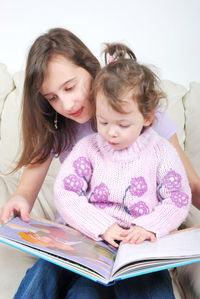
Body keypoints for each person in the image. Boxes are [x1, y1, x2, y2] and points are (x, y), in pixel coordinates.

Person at [0, 27, 198, 298]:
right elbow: (33, 190)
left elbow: (185, 185)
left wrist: (152, 226)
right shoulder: (66, 131)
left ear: (90, 68)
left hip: (138, 240)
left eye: (70, 87)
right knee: (49, 276)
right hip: (81, 232)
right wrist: (20, 200)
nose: (67, 104)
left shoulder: (141, 113)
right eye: (53, 97)